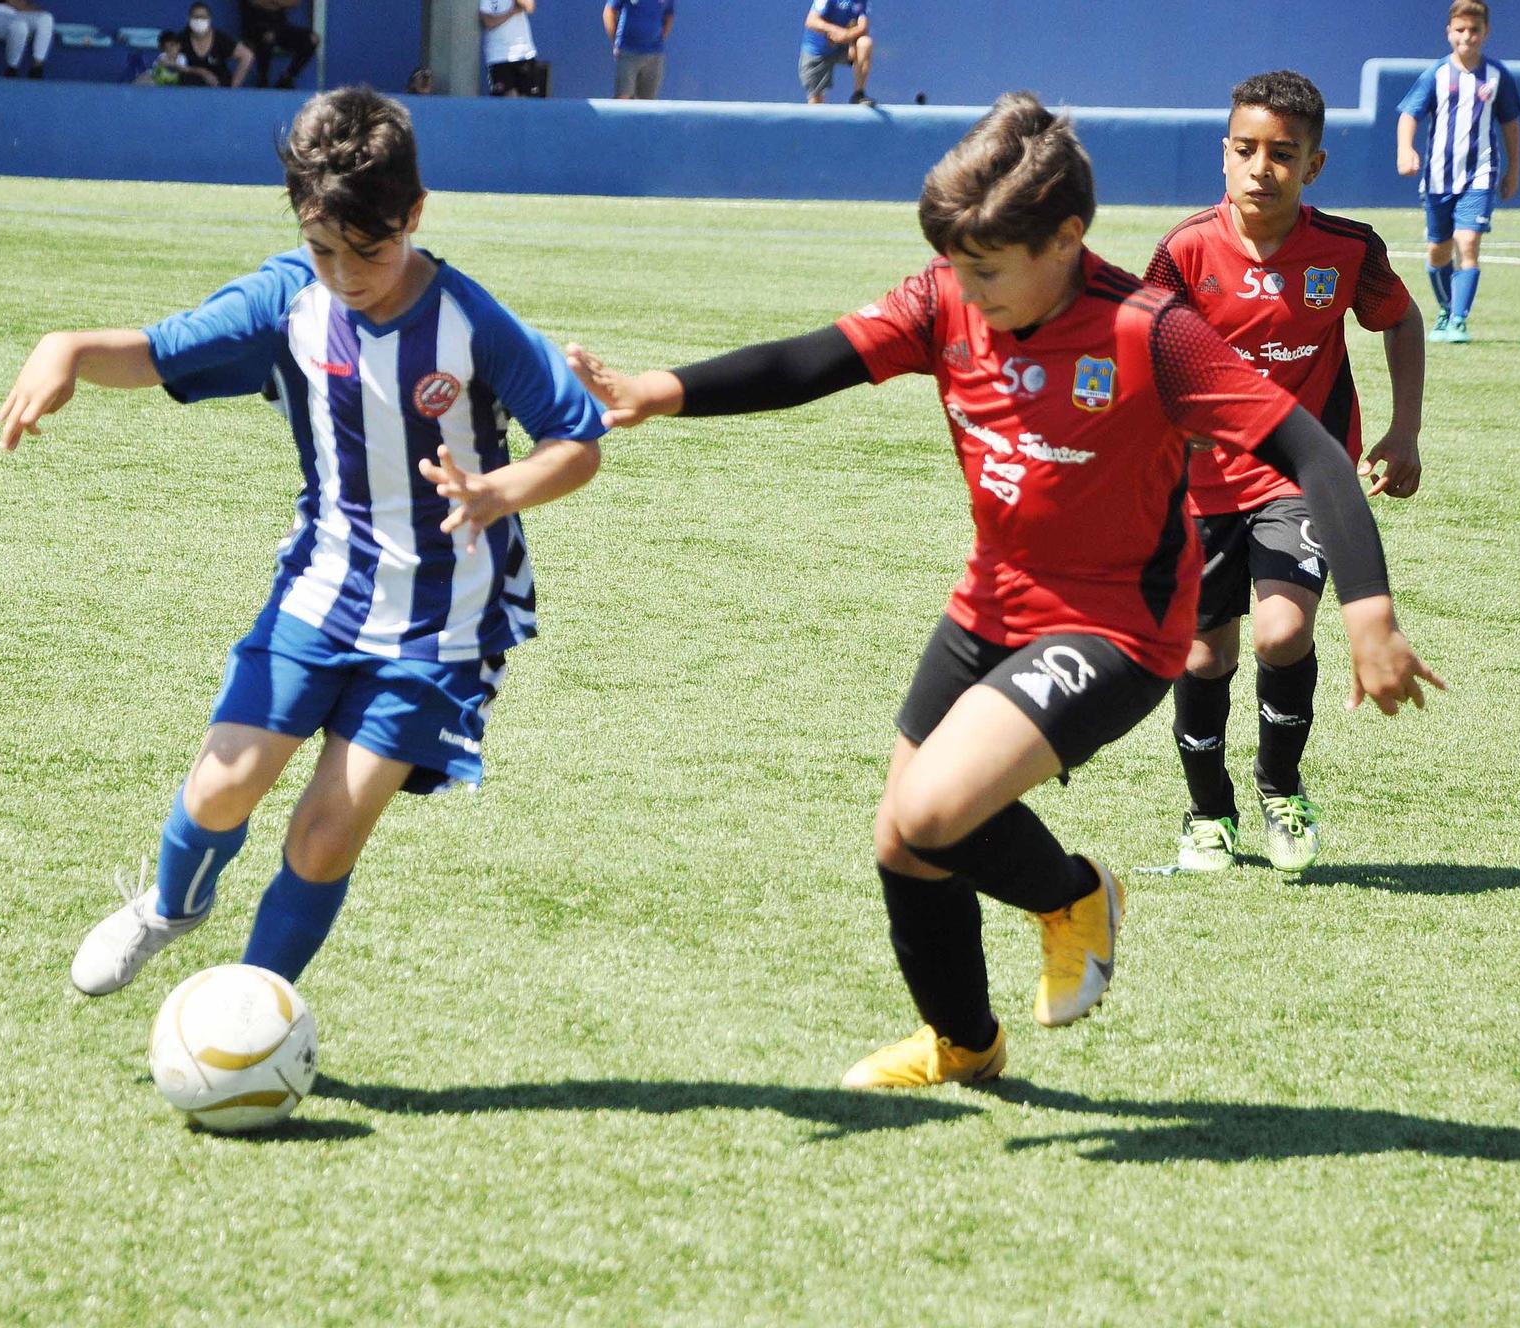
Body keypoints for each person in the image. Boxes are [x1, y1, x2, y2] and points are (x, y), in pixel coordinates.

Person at [568, 92, 1442, 1089]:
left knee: (935, 807)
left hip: (1115, 626)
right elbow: (813, 360)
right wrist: (658, 390)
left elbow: (1310, 448)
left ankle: (1071, 896)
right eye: (956, 265)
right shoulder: (946, 300)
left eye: (986, 268)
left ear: (1065, 238)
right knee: (900, 831)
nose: (965, 289)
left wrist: (1367, 607)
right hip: (987, 605)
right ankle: (965, 1046)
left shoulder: (1149, 331)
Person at [0, 87, 607, 997]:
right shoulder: (289, 296)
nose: (348, 272)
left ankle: (249, 1006)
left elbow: (578, 440)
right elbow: (161, 351)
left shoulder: (471, 322)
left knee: (324, 834)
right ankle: (169, 907)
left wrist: (498, 490)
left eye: (371, 250)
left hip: (442, 623)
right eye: (325, 249)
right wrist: (71, 348)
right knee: (221, 787)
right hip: (320, 589)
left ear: (415, 214)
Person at [1144, 71, 1426, 875]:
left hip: (1299, 475)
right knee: (1204, 656)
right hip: (1201, 486)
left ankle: (1281, 786)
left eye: (1282, 153)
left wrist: (1404, 431)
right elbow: (1141, 350)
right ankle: (1207, 814)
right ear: (1223, 156)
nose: (1261, 167)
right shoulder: (1185, 249)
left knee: (1284, 629)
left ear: (1315, 166)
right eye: (1246, 150)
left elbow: (1400, 319)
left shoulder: (1346, 250)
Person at [1396, 0, 1520, 344]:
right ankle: (1447, 309)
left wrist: (1513, 170)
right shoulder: (1436, 74)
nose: (1467, 37)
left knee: (1467, 244)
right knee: (1438, 251)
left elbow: (1510, 124)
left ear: (1486, 33)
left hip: (1480, 174)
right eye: (1460, 30)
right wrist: (1405, 149)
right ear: (1449, 33)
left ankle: (1459, 322)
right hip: (1438, 177)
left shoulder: (1497, 76)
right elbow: (1409, 114)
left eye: (1474, 30)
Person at [800, 0, 871, 106]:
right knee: (816, 100)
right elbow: (811, 21)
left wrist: (846, 36)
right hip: (817, 51)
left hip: (844, 47)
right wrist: (835, 31)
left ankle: (858, 94)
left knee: (865, 43)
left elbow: (863, 27)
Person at [603, 0, 673, 100]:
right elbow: (609, 11)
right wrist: (615, 41)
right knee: (623, 98)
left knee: (648, 103)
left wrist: (658, 39)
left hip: (654, 55)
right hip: (628, 52)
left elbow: (669, 15)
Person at [240, 0, 317, 89]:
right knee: (268, 37)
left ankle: (287, 78)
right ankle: (263, 80)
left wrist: (272, 3)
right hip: (255, 26)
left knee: (312, 39)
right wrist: (280, 3)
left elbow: (294, 3)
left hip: (279, 26)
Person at [178, 1, 254, 87]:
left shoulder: (220, 39)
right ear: (189, 19)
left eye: (203, 17)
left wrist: (234, 87)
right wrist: (201, 72)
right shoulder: (182, 39)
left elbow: (247, 56)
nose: (199, 20)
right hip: (190, 89)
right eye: (195, 17)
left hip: (220, 87)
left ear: (210, 19)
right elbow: (168, 61)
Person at [0, 0, 55, 77]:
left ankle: (37, 68)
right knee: (19, 26)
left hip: (14, 13)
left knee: (46, 18)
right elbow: (14, 2)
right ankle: (12, 69)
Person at [480, 0, 544, 97]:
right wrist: (511, 12)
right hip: (498, 57)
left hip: (524, 54)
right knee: (507, 103)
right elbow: (488, 22)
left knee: (529, 103)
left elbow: (529, 7)